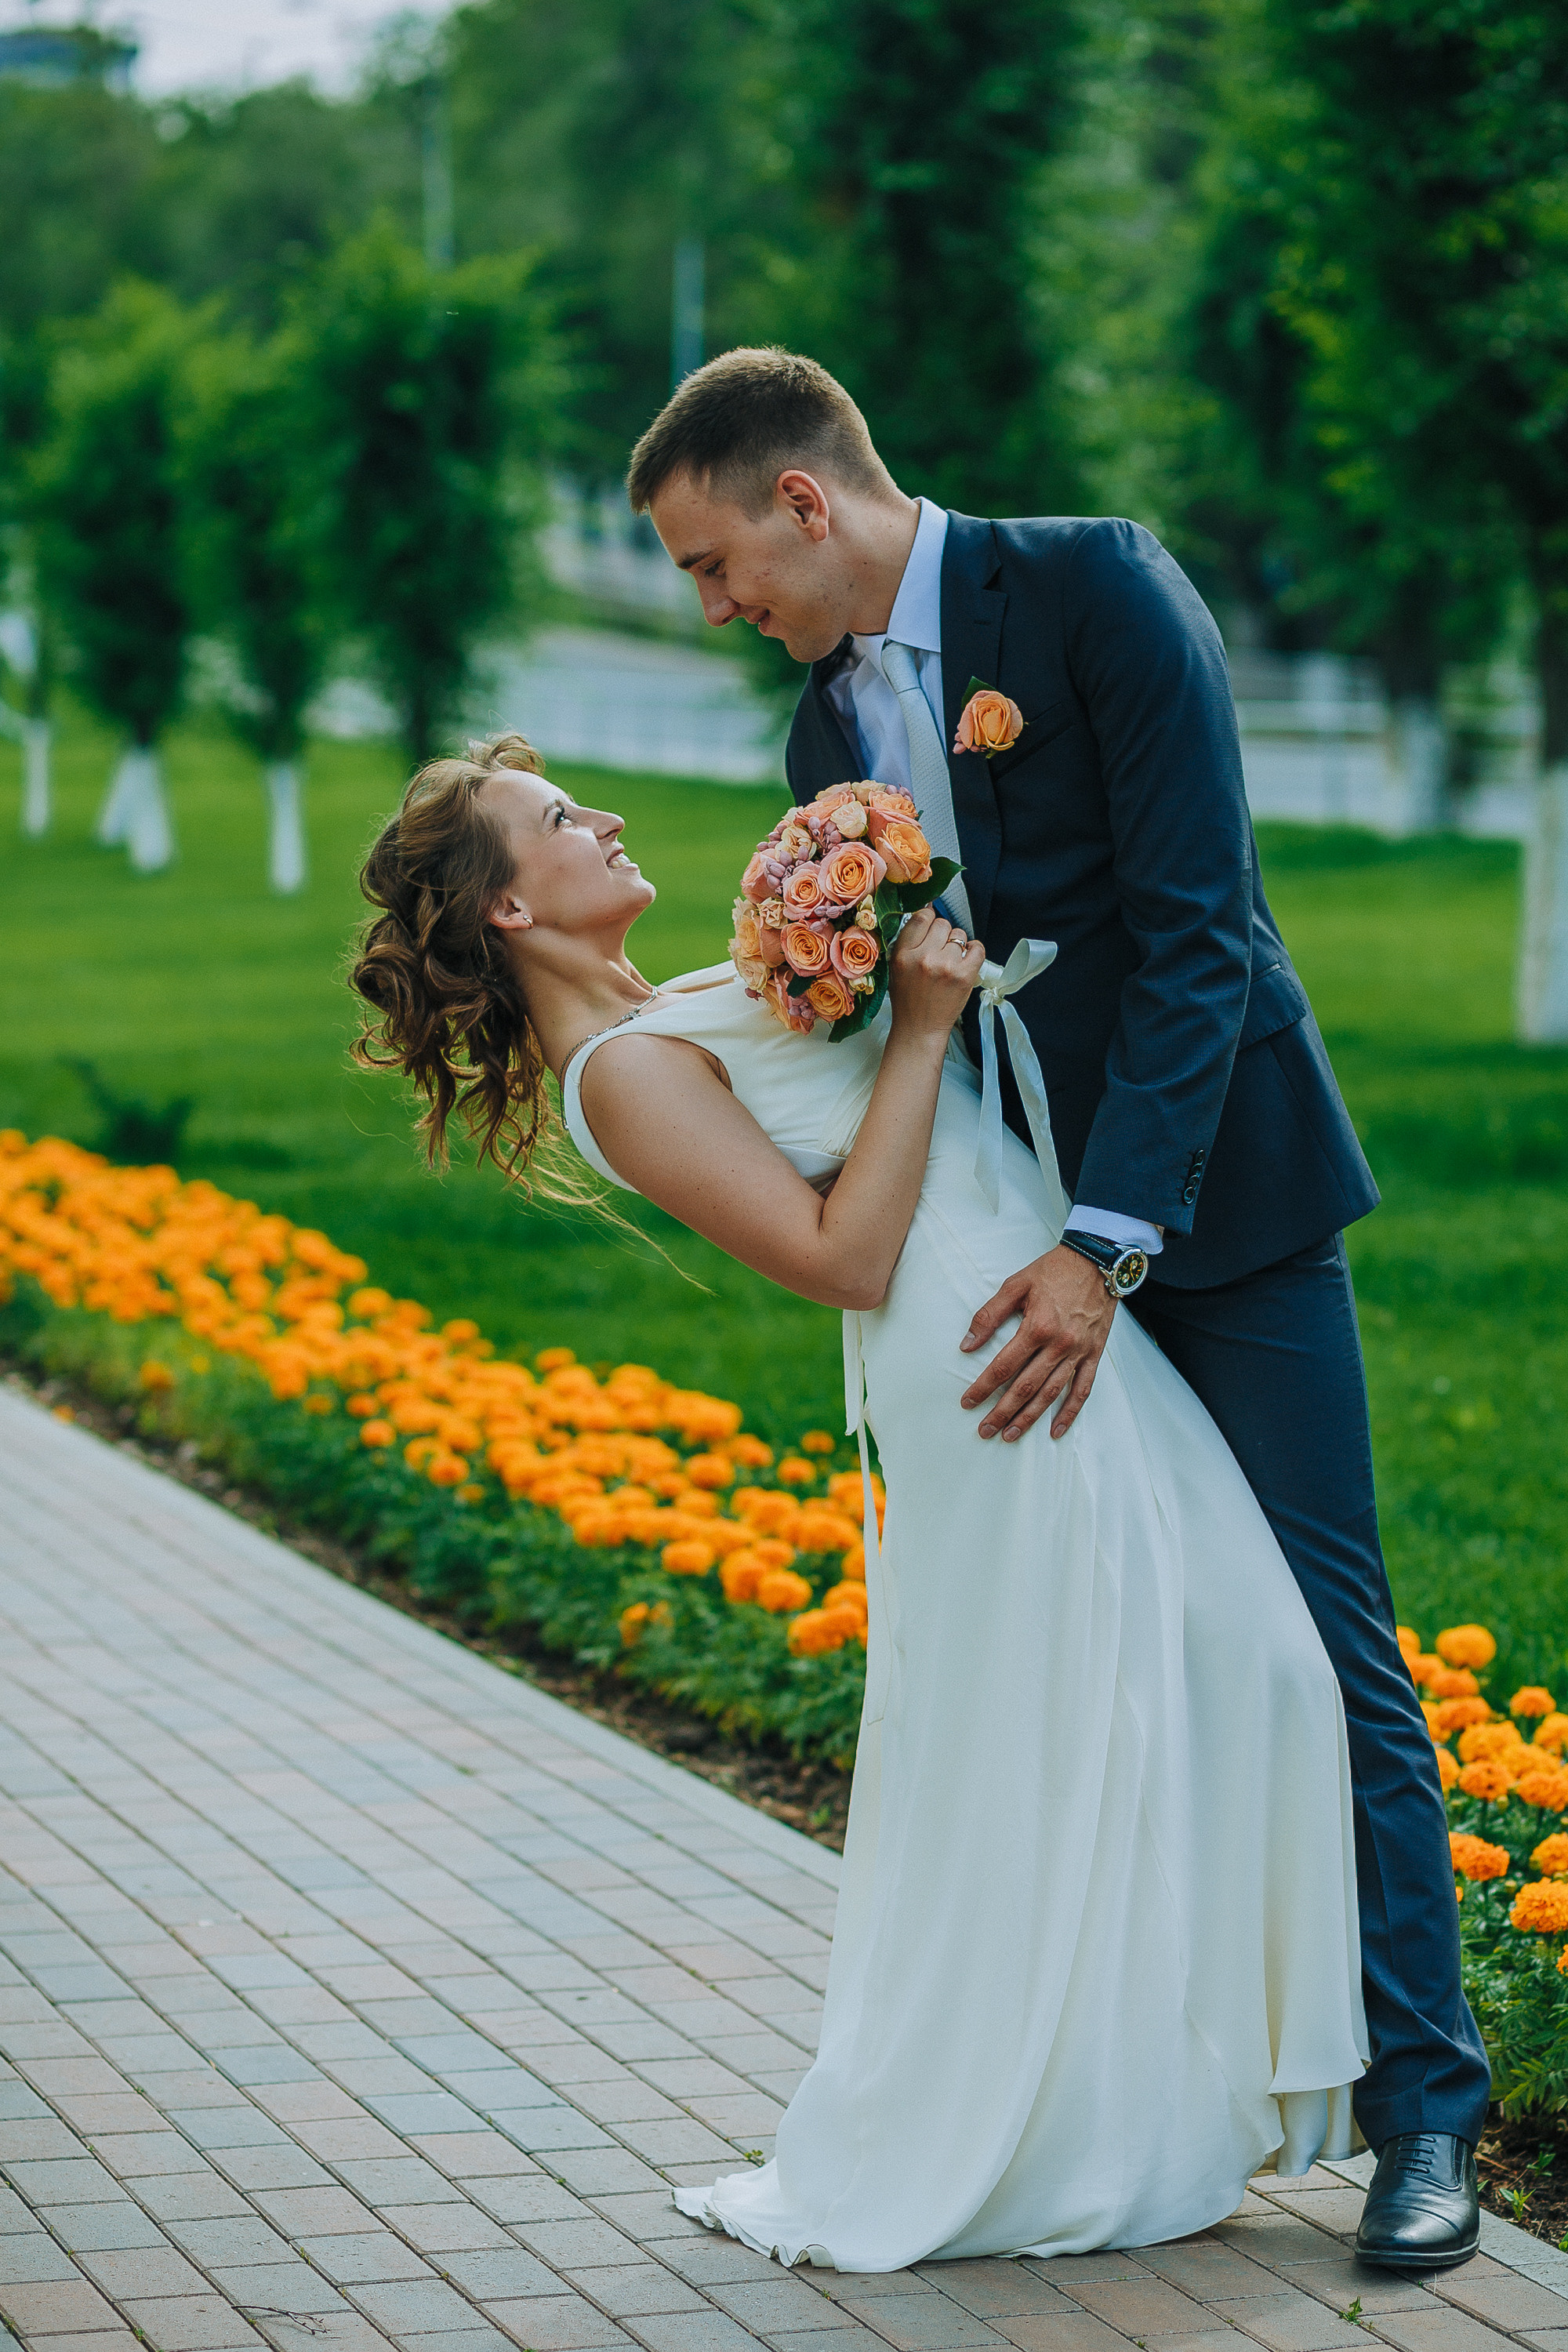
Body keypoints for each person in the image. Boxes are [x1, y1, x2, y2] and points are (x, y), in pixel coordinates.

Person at [622, 347, 1488, 2272]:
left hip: (1214, 1214)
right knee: (1108, 1665)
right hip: (999, 1241)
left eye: (709, 562)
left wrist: (1105, 1251)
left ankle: (1429, 2120)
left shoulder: (1096, 586)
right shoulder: (824, 726)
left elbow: (1200, 936)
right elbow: (876, 1008)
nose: (714, 606)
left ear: (801, 502)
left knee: (1326, 1644)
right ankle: (1143, 2091)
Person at [350, 731, 1367, 2272]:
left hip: (1044, 1316)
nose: (605, 814)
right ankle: (1085, 2115)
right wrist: (913, 1029)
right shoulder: (616, 1077)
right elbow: (839, 1257)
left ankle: (1155, 2078)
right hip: (983, 1362)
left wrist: (858, 914)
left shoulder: (674, 1005)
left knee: (1235, 1668)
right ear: (505, 910)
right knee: (1130, 1703)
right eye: (560, 817)